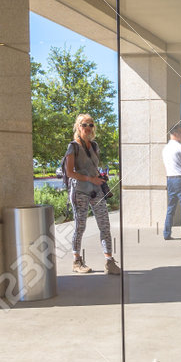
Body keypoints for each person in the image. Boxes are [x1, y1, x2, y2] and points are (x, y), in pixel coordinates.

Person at [65, 114, 122, 275]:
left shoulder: (95, 146)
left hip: (96, 191)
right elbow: (69, 172)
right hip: (80, 191)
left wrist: (99, 177)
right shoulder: (73, 146)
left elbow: (92, 166)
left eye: (91, 125)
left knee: (105, 225)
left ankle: (109, 261)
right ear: (78, 127)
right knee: (80, 226)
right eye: (84, 125)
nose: (88, 128)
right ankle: (77, 261)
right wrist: (90, 178)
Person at [162, 124, 181, 241]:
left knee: (171, 208)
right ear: (174, 134)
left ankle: (166, 233)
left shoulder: (165, 149)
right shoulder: (179, 147)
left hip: (170, 179)